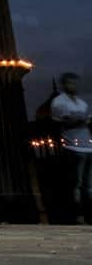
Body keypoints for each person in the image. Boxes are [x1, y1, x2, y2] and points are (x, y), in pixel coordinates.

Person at [50, 72, 92, 224]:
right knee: (77, 184)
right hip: (73, 148)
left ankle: (88, 215)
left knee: (89, 186)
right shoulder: (59, 102)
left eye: (75, 83)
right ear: (64, 84)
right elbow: (61, 123)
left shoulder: (82, 103)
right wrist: (81, 121)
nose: (73, 86)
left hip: (88, 147)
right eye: (70, 83)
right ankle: (78, 216)